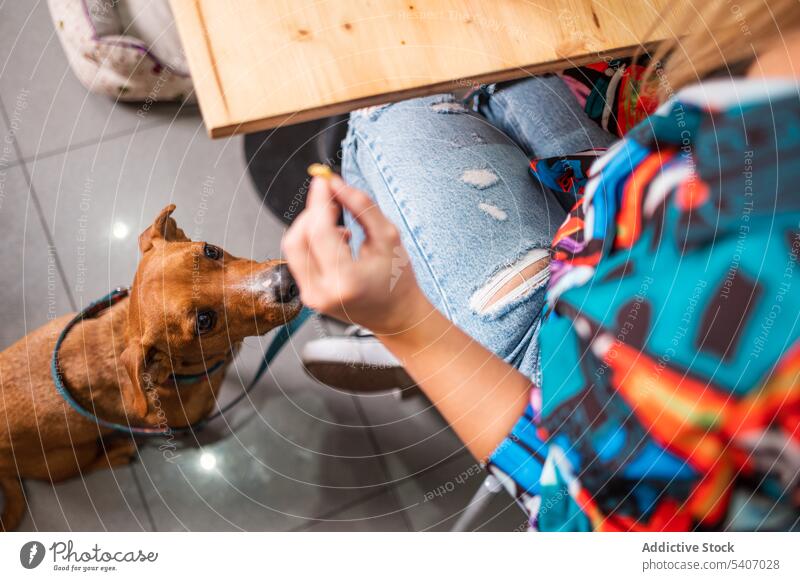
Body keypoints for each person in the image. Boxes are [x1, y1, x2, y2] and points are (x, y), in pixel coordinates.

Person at [282, 0, 800, 531]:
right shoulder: (762, 113)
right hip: (606, 244)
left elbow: (578, 522)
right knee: (507, 72)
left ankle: (422, 329)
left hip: (568, 377)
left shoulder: (758, 280)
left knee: (389, 104)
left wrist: (410, 327)